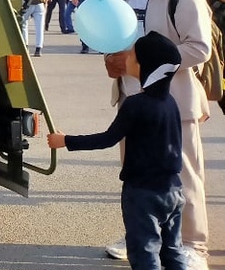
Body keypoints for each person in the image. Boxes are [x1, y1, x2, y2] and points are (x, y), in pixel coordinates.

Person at [104, 0, 212, 269]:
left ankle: (193, 246)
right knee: (136, 176)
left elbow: (199, 49)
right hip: (132, 103)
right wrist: (112, 62)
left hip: (174, 105)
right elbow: (117, 40)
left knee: (182, 176)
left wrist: (150, 63)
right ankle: (139, 235)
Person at [49, 32, 188, 270]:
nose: (127, 59)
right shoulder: (171, 103)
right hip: (174, 190)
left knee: (144, 252)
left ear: (145, 66)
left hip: (143, 193)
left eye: (132, 56)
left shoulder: (136, 104)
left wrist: (66, 141)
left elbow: (107, 139)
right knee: (173, 250)